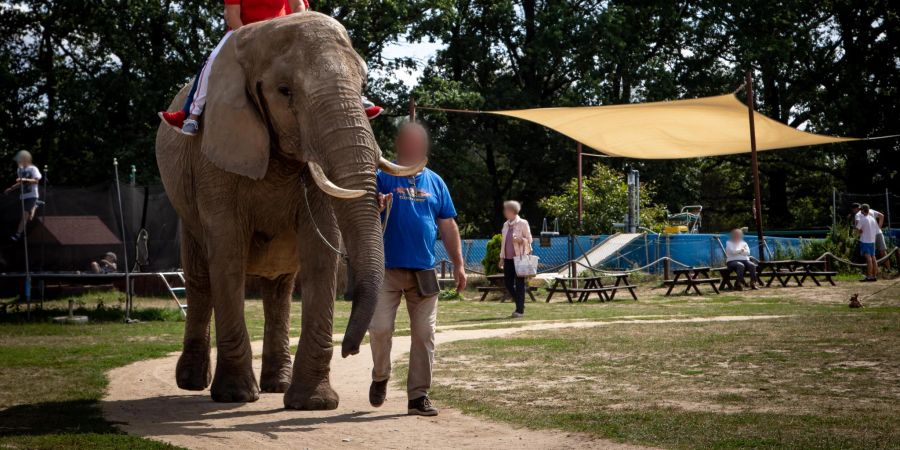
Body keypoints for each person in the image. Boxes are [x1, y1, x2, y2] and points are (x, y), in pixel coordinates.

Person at [158, 1, 383, 136]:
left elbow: (299, 6)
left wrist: (295, 28)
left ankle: (353, 101)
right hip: (244, 33)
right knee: (212, 61)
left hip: (284, 32)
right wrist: (256, 39)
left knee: (329, 48)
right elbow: (233, 16)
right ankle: (191, 114)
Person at [368, 122, 466, 416]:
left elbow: (448, 225)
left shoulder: (435, 182)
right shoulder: (381, 177)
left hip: (424, 271)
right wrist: (377, 205)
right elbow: (362, 211)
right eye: (408, 142)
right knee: (380, 328)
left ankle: (417, 397)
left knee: (424, 334)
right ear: (398, 145)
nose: (413, 147)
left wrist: (459, 265)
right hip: (386, 269)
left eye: (418, 142)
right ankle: (380, 376)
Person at [498, 200, 533, 317]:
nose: (504, 212)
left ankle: (519, 311)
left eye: (506, 209)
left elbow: (529, 239)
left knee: (519, 284)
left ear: (512, 211)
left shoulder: (523, 223)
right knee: (508, 283)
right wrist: (501, 258)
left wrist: (520, 240)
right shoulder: (505, 225)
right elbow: (504, 243)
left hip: (520, 258)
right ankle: (520, 303)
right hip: (507, 259)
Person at [4, 151, 42, 242]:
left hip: (32, 195)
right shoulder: (19, 170)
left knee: (24, 216)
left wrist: (24, 179)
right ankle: (36, 205)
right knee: (29, 218)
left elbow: (36, 181)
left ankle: (17, 234)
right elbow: (20, 183)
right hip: (23, 196)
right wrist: (11, 188)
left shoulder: (33, 169)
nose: (18, 161)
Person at [852, 203, 889, 271]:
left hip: (868, 237)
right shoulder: (871, 212)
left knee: (869, 256)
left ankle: (870, 273)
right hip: (878, 233)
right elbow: (882, 216)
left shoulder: (858, 215)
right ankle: (887, 269)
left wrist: (858, 233)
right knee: (881, 252)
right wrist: (879, 227)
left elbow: (857, 227)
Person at [855, 204, 879, 282]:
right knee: (873, 258)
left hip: (865, 241)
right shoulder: (872, 219)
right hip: (872, 241)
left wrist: (860, 232)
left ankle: (869, 276)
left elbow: (857, 230)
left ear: (862, 210)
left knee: (868, 259)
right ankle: (874, 275)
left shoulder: (862, 219)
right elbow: (876, 229)